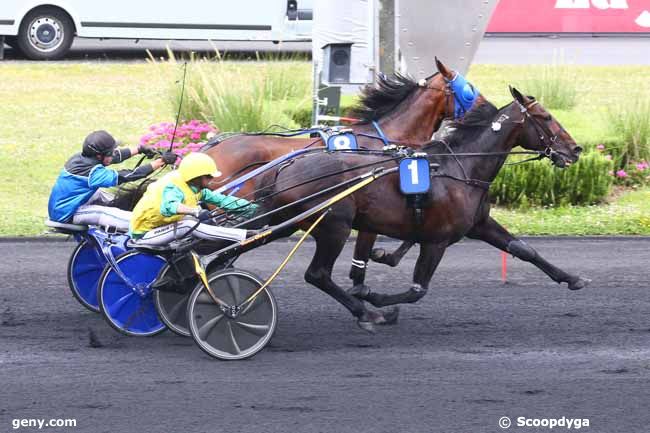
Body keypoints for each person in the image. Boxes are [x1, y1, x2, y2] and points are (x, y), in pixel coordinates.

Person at [47, 130, 178, 231]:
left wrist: (140, 149)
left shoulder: (80, 157)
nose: (112, 154)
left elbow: (115, 157)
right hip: (68, 213)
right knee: (130, 220)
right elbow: (129, 175)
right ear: (99, 155)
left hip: (68, 204)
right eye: (109, 153)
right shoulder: (93, 173)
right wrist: (161, 161)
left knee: (113, 199)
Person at [129, 152, 258, 246]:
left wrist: (254, 208)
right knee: (189, 224)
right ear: (197, 176)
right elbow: (169, 207)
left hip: (161, 228)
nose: (212, 180)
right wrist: (195, 211)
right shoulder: (173, 187)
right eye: (208, 177)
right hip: (144, 235)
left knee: (195, 222)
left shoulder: (196, 188)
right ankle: (243, 235)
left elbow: (223, 200)